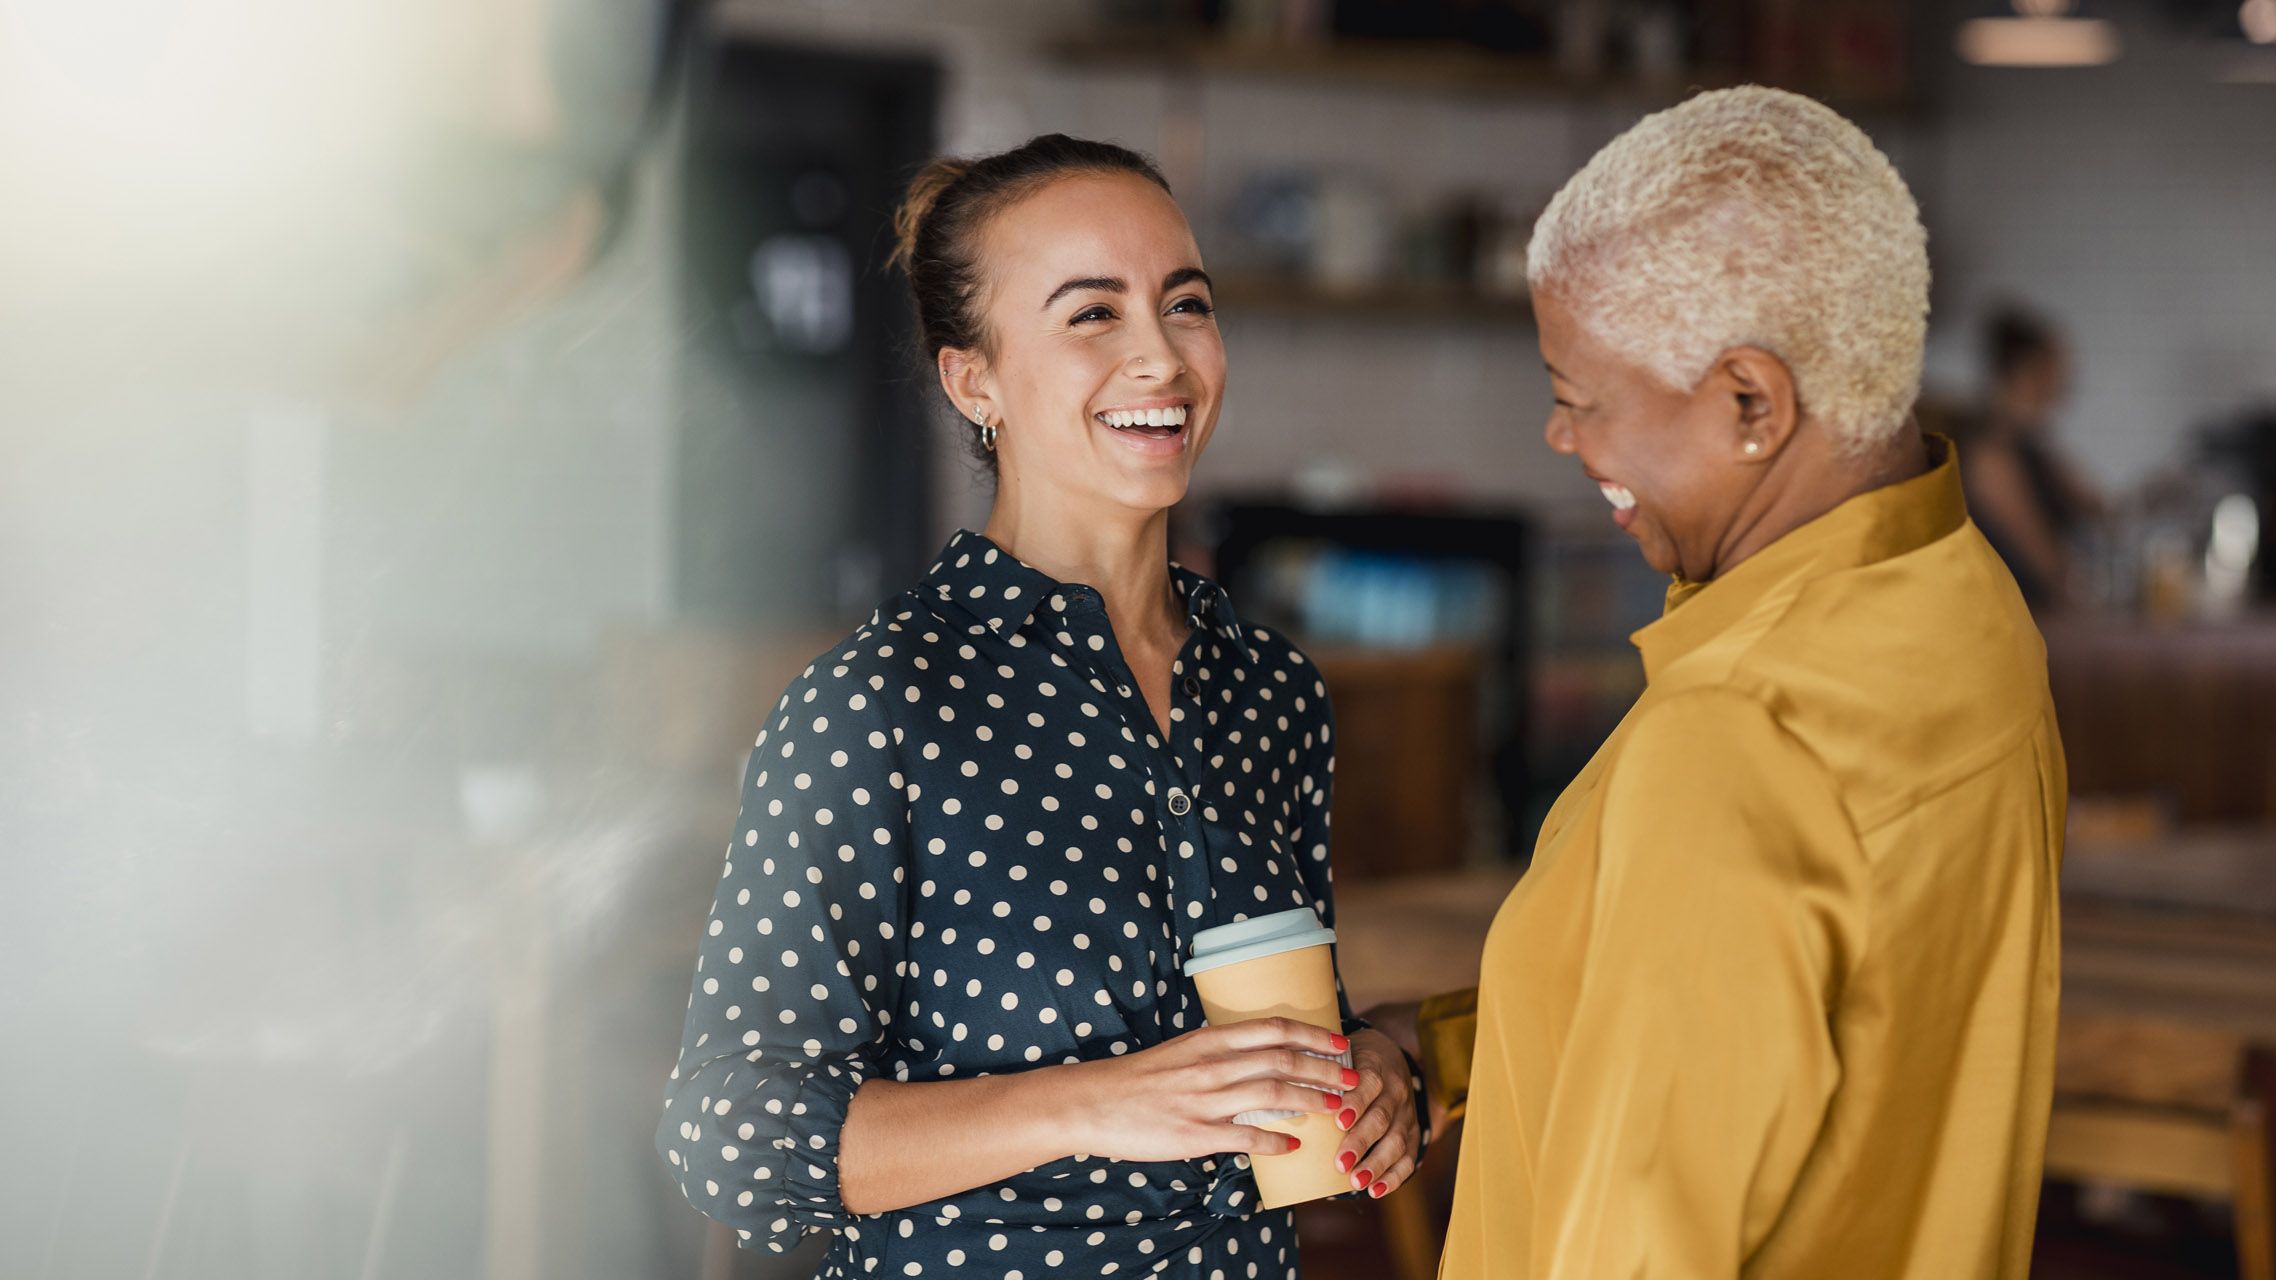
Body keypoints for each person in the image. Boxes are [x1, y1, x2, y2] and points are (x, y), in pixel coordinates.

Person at [654, 134, 1423, 1278]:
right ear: (974, 381)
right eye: (1091, 314)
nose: (1159, 356)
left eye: (1185, 304)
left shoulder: (1269, 691)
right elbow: (732, 1135)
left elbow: (1290, 1034)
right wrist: (1091, 1101)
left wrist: (1385, 1064)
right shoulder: (879, 703)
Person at [1369, 87, 2066, 1278]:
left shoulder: (1738, 732)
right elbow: (1774, 1025)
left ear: (1750, 402)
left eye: (1576, 397)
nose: (1560, 438)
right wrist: (1449, 1049)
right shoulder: (1961, 604)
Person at [1962, 303, 2105, 608]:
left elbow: (2101, 510)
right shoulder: (1992, 457)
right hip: (2013, 618)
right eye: (2055, 368)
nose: (2066, 382)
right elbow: (2046, 562)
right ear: (2025, 371)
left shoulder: (2035, 448)